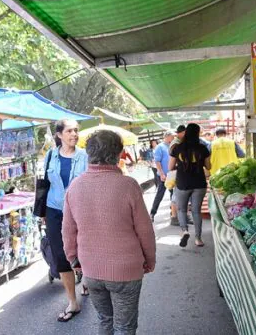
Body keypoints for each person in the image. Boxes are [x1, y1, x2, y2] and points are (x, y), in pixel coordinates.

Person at [62, 130, 156, 335]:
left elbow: (68, 231)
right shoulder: (129, 185)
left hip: (91, 270)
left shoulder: (74, 187)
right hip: (126, 270)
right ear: (119, 153)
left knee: (105, 320)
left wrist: (73, 260)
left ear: (88, 153)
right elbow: (144, 229)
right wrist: (150, 259)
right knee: (125, 326)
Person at [42, 119, 88, 322]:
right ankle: (72, 302)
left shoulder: (85, 157)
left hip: (80, 211)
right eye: (70, 131)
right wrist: (43, 211)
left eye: (76, 131)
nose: (74, 134)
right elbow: (44, 183)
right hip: (54, 210)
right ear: (59, 135)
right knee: (61, 254)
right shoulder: (50, 156)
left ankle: (86, 278)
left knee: (83, 249)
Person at [170, 123, 211, 248]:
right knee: (196, 211)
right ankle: (198, 239)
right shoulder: (203, 148)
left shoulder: (177, 148)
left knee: (182, 209)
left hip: (182, 183)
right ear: (198, 133)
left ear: (186, 132)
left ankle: (185, 231)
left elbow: (170, 167)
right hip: (199, 183)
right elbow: (209, 167)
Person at [150, 131, 178, 224]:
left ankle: (173, 213)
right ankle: (152, 213)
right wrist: (162, 174)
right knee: (160, 195)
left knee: (173, 195)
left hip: (172, 175)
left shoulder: (172, 145)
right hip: (163, 176)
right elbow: (157, 162)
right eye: (172, 136)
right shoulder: (160, 147)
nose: (173, 138)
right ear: (167, 136)